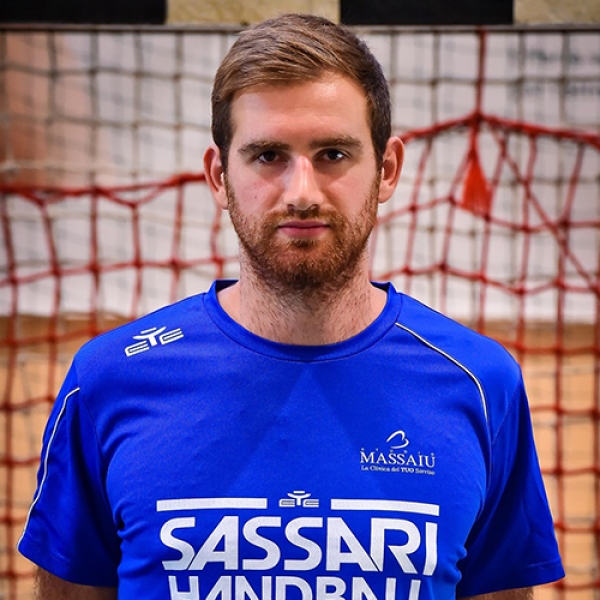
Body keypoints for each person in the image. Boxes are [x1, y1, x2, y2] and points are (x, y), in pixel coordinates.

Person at [18, 13, 564, 600]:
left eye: (332, 154)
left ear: (386, 171)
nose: (302, 192)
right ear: (219, 176)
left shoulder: (481, 382)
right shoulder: (109, 379)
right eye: (268, 156)